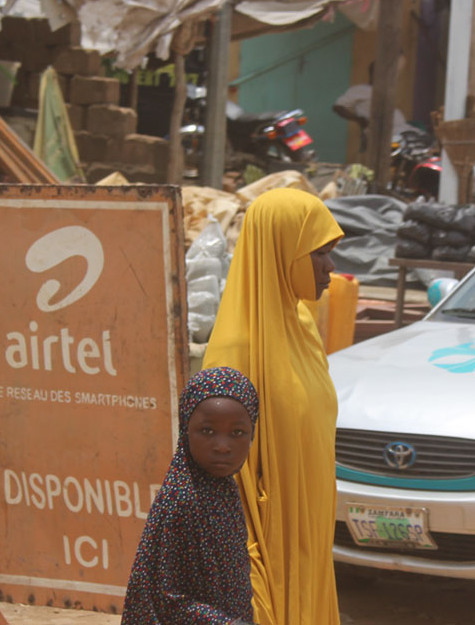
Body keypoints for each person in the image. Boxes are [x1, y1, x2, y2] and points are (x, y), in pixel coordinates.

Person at [203, 187, 344, 625]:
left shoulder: (302, 327)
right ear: (282, 251)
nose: (330, 267)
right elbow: (215, 469)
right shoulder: (235, 350)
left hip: (309, 528)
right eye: (319, 253)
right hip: (261, 543)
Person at [121, 366, 261, 625]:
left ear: (252, 435)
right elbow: (167, 600)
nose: (222, 446)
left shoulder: (222, 489)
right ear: (186, 430)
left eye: (237, 433)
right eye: (208, 431)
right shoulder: (183, 499)